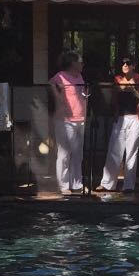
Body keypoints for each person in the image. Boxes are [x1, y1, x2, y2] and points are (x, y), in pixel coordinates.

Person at [98, 53, 139, 193]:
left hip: (135, 118)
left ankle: (129, 186)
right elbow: (113, 100)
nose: (125, 65)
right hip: (121, 118)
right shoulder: (117, 79)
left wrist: (133, 90)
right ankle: (107, 184)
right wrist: (119, 89)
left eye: (128, 63)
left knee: (131, 152)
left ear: (133, 65)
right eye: (123, 63)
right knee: (114, 150)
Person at [50, 50, 88, 195]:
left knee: (78, 154)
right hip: (65, 120)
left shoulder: (79, 76)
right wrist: (59, 99)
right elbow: (51, 84)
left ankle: (77, 184)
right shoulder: (60, 76)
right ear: (72, 63)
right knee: (64, 154)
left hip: (80, 119)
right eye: (80, 61)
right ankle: (63, 185)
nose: (82, 64)